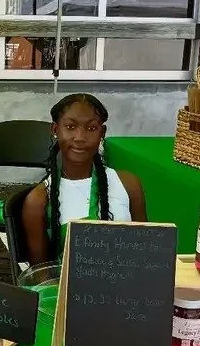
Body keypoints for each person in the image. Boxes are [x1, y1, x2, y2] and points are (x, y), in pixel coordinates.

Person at [22, 93, 147, 265]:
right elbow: (41, 276)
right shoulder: (38, 200)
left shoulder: (128, 184)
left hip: (128, 288)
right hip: (67, 291)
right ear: (55, 130)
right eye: (70, 127)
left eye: (91, 128)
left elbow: (145, 251)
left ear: (102, 133)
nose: (80, 137)